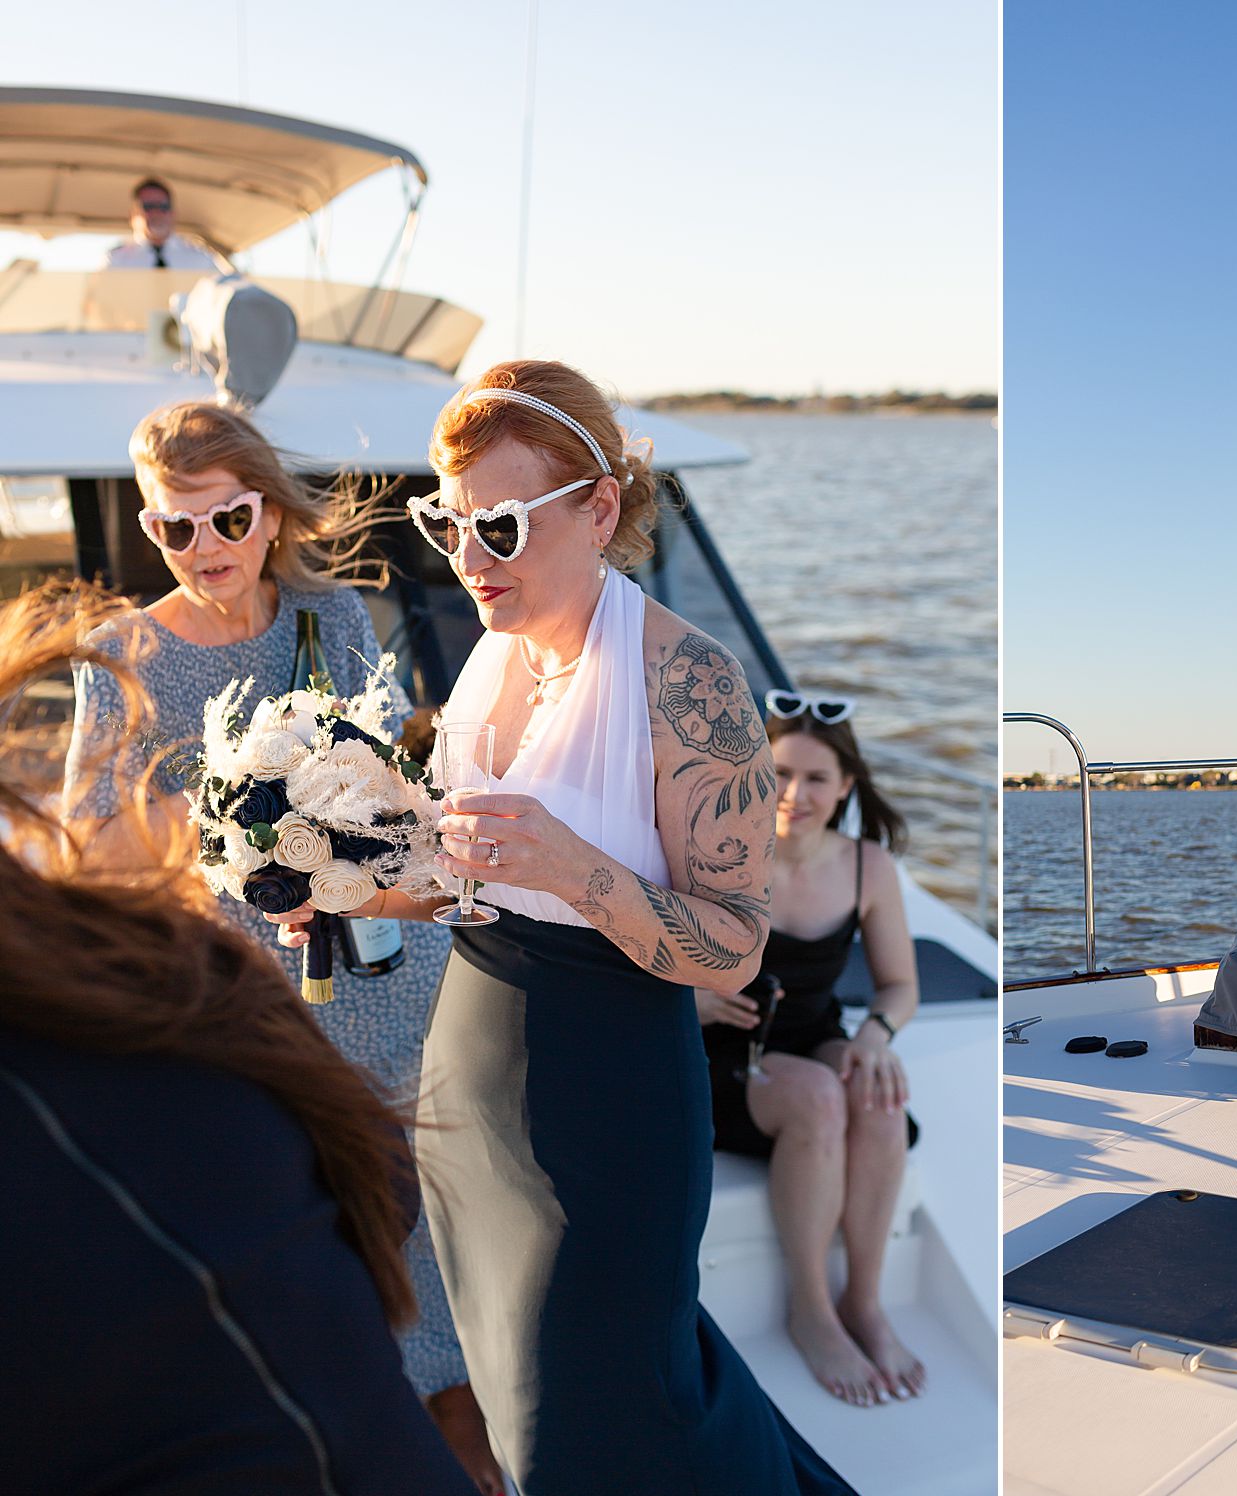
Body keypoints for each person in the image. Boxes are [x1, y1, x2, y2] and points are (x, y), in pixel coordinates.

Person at [278, 360, 854, 1494]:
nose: (464, 558)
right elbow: (463, 876)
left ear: (598, 508)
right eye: (444, 519)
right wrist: (337, 884)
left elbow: (734, 944)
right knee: (514, 1391)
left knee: (594, 1408)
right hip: (472, 1072)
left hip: (607, 1097)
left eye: (496, 523)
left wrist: (578, 867)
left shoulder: (691, 683)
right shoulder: (492, 656)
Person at [60, 403, 503, 1494]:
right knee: (327, 1217)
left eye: (226, 519)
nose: (204, 548)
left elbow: (391, 796)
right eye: (174, 529)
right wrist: (230, 855)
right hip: (243, 998)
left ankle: (465, 1438)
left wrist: (344, 863)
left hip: (388, 972)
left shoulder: (332, 614)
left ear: (268, 513)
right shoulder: (122, 654)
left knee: (433, 1200)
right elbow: (94, 851)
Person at [697, 695, 925, 1407]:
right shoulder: (712, 847)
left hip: (813, 1037)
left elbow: (899, 987)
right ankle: (811, 1309)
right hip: (714, 1051)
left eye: (817, 779)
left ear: (847, 785)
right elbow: (643, 960)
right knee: (821, 1099)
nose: (795, 795)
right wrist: (692, 999)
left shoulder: (868, 868)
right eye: (780, 773)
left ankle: (864, 1300)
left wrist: (875, 1036)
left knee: (881, 1100)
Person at [100, 178, 231, 272]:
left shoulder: (201, 258)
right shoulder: (116, 261)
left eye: (163, 206)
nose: (157, 213)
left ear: (174, 213)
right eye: (148, 207)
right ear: (132, 215)